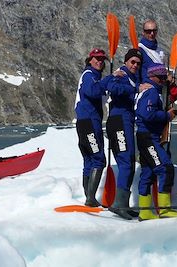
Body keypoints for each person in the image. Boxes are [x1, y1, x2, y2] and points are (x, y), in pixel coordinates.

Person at [135, 63, 177, 221]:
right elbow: (147, 114)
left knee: (148, 173)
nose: (163, 80)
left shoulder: (150, 91)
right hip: (149, 136)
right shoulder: (151, 93)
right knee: (165, 168)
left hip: (146, 136)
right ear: (152, 77)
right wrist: (167, 116)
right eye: (161, 77)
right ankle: (164, 209)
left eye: (165, 77)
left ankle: (145, 211)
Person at [106, 49, 143, 219]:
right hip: (119, 120)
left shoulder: (133, 77)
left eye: (137, 63)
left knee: (128, 161)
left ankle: (123, 204)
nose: (135, 65)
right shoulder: (121, 74)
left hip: (126, 121)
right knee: (126, 161)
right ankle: (118, 204)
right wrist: (135, 90)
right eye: (132, 62)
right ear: (126, 62)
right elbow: (112, 88)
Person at [75, 48, 112, 207]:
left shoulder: (91, 76)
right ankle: (90, 199)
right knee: (99, 159)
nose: (100, 61)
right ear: (89, 60)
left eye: (102, 59)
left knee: (89, 159)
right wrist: (108, 80)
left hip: (84, 122)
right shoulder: (89, 75)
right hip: (90, 121)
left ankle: (88, 196)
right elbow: (92, 91)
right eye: (96, 58)